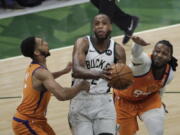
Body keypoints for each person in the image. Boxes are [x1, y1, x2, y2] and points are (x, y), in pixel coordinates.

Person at [12, 36, 90, 135]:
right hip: (26, 122)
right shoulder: (41, 72)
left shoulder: (34, 67)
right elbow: (62, 95)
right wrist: (81, 86)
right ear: (36, 52)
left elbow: (46, 79)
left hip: (37, 120)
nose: (46, 43)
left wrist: (63, 71)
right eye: (42, 43)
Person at [68, 14, 126, 135]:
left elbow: (122, 82)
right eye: (97, 24)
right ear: (93, 28)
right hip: (80, 99)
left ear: (110, 26)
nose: (100, 26)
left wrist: (121, 79)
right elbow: (77, 70)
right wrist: (99, 74)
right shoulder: (83, 43)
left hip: (103, 100)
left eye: (104, 23)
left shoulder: (118, 50)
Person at [113, 36, 178, 135]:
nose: (159, 55)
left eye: (164, 54)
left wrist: (159, 102)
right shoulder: (144, 63)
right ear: (153, 51)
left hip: (148, 100)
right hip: (124, 101)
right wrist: (138, 44)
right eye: (157, 51)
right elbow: (136, 55)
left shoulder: (169, 74)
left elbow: (161, 87)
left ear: (169, 58)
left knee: (157, 131)